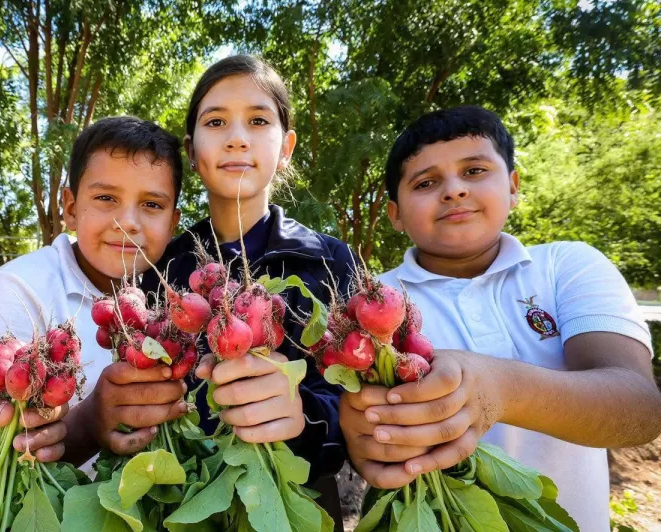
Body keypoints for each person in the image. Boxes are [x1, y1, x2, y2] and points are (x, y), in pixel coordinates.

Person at [339, 105, 661, 529]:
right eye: (426, 182)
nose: (453, 190)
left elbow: (639, 408)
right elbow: (357, 419)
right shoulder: (368, 300)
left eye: (474, 171)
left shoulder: (567, 265)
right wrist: (363, 434)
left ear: (512, 186)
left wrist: (497, 388)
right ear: (395, 213)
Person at [145, 55, 356, 498]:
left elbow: (360, 397)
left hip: (301, 502)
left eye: (258, 121)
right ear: (191, 151)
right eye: (216, 122)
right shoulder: (162, 267)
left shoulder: (330, 261)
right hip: (179, 498)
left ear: (286, 148)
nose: (237, 139)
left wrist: (303, 416)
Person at [0, 116, 191, 466]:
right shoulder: (15, 292)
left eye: (152, 205)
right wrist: (91, 421)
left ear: (173, 223)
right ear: (70, 208)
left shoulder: (158, 297)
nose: (128, 221)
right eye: (106, 198)